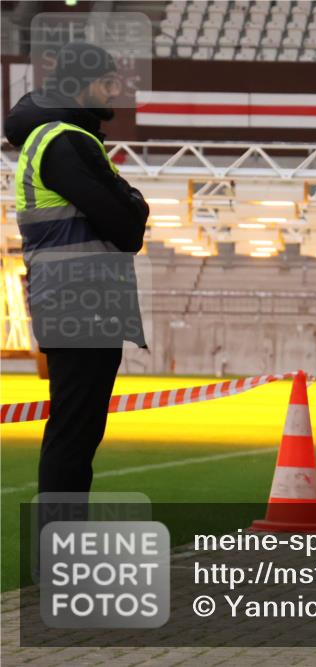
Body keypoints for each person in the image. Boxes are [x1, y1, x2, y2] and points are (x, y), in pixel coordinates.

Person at [5, 42, 149, 497]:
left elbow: (124, 216)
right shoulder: (66, 141)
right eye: (108, 82)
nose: (116, 91)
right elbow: (129, 227)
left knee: (77, 433)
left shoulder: (58, 138)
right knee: (74, 435)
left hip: (73, 301)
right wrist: (135, 201)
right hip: (80, 302)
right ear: (81, 87)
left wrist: (130, 204)